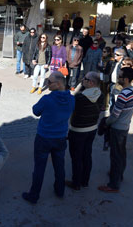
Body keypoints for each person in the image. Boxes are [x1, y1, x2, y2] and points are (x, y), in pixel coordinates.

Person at [22, 72, 75, 204]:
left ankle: (34, 195)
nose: (47, 84)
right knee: (59, 165)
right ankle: (60, 190)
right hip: (61, 137)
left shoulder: (47, 99)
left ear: (58, 84)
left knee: (39, 167)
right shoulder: (72, 99)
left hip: (44, 138)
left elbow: (35, 111)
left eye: (49, 82)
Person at [98, 67, 133, 193]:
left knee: (115, 156)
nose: (118, 78)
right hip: (125, 126)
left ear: (126, 79)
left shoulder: (123, 94)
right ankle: (119, 175)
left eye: (120, 76)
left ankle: (113, 184)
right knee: (121, 153)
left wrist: (106, 123)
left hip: (117, 128)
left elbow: (115, 115)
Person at [67, 72, 103, 191]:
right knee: (87, 155)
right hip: (92, 128)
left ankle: (76, 183)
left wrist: (79, 86)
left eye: (85, 79)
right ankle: (85, 181)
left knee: (76, 157)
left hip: (77, 130)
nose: (83, 79)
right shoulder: (100, 94)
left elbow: (71, 100)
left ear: (91, 82)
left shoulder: (80, 97)